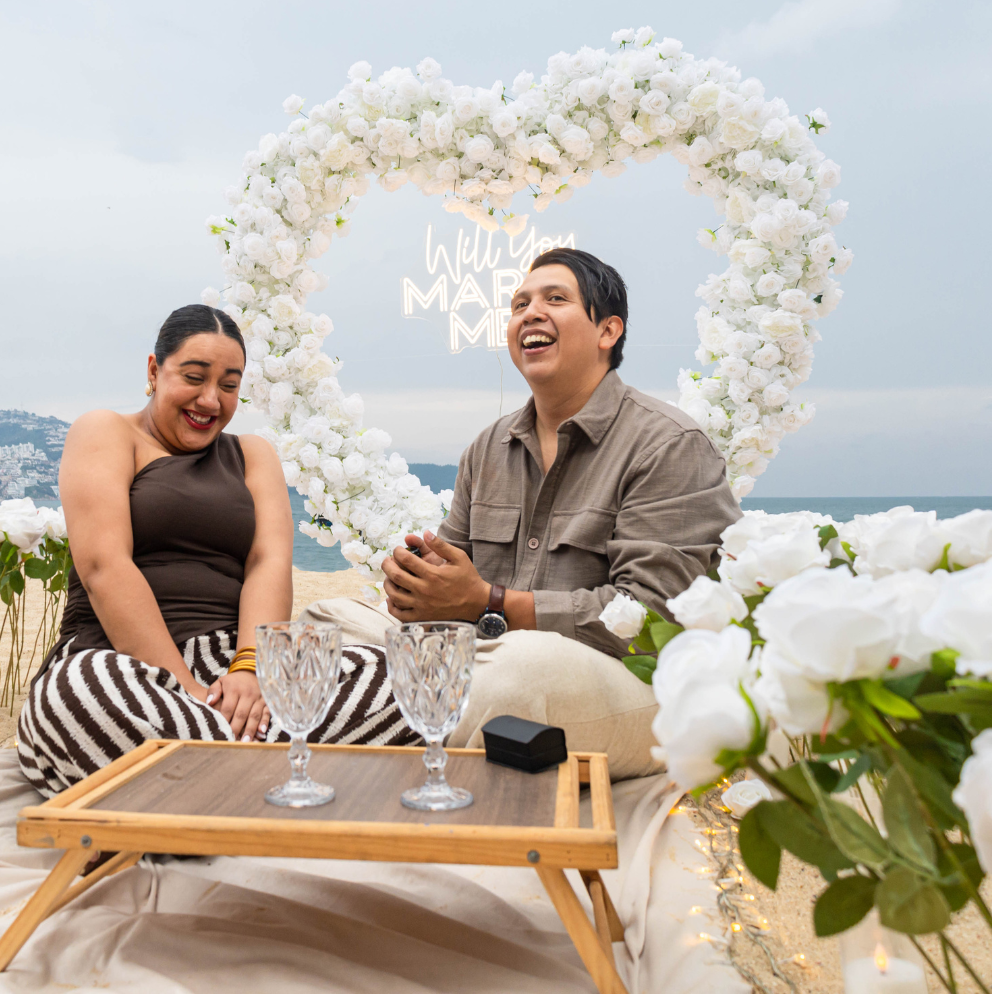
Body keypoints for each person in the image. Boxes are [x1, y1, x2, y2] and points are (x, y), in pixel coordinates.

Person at [301, 249, 742, 780]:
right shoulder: (489, 447)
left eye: (556, 299)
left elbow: (654, 620)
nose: (531, 313)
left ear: (608, 331)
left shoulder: (668, 445)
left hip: (616, 681)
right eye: (518, 305)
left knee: (521, 673)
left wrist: (487, 602)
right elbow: (453, 587)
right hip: (486, 661)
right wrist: (419, 588)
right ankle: (405, 730)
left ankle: (390, 739)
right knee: (320, 624)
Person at [18, 305, 416, 796]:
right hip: (126, 664)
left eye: (229, 385)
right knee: (76, 696)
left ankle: (196, 787)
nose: (210, 399)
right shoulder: (106, 432)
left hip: (238, 668)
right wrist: (188, 691)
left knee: (399, 679)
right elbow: (104, 566)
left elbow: (268, 562)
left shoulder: (252, 454)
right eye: (194, 377)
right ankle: (271, 778)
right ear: (152, 371)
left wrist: (250, 670)